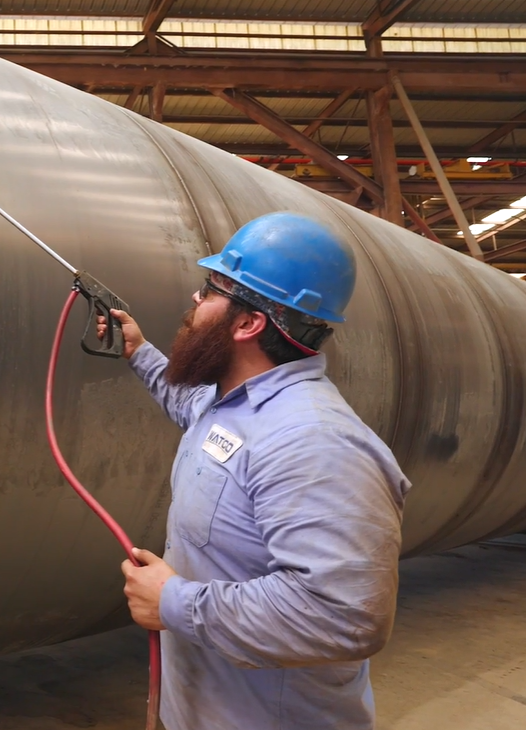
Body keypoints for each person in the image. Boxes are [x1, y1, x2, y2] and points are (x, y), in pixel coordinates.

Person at [99, 211, 411, 730]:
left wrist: (174, 602)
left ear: (249, 323)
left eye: (210, 289)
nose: (195, 302)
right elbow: (190, 406)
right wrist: (137, 351)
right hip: (201, 709)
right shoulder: (234, 404)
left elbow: (343, 616)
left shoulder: (315, 442)